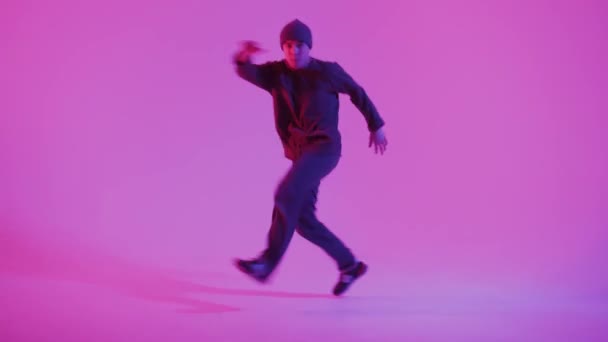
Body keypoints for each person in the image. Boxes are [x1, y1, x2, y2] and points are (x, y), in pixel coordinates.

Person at [232, 19, 388, 296]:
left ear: (309, 47)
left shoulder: (327, 72)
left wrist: (376, 125)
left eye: (299, 45)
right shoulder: (277, 74)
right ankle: (349, 265)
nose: (294, 51)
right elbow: (247, 72)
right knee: (303, 221)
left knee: (285, 193)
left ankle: (266, 263)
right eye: (288, 46)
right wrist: (244, 56)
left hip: (325, 149)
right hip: (301, 155)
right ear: (283, 48)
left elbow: (357, 92)